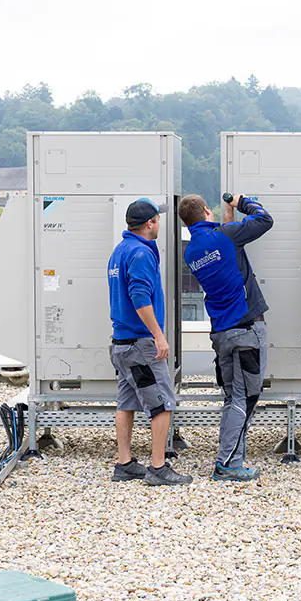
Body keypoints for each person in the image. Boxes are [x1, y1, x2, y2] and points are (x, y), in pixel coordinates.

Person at [179, 193, 274, 482]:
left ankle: (232, 459)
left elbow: (224, 247)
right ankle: (228, 464)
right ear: (207, 210)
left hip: (222, 333)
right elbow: (264, 220)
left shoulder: (193, 250)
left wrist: (228, 217)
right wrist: (243, 202)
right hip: (246, 330)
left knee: (233, 398)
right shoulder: (226, 236)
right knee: (245, 399)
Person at [108, 198, 192, 486]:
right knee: (163, 403)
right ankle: (158, 467)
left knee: (127, 402)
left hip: (121, 344)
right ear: (149, 224)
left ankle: (125, 464)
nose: (160, 223)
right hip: (140, 346)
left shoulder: (120, 251)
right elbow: (140, 298)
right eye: (157, 219)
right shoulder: (141, 254)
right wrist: (159, 336)